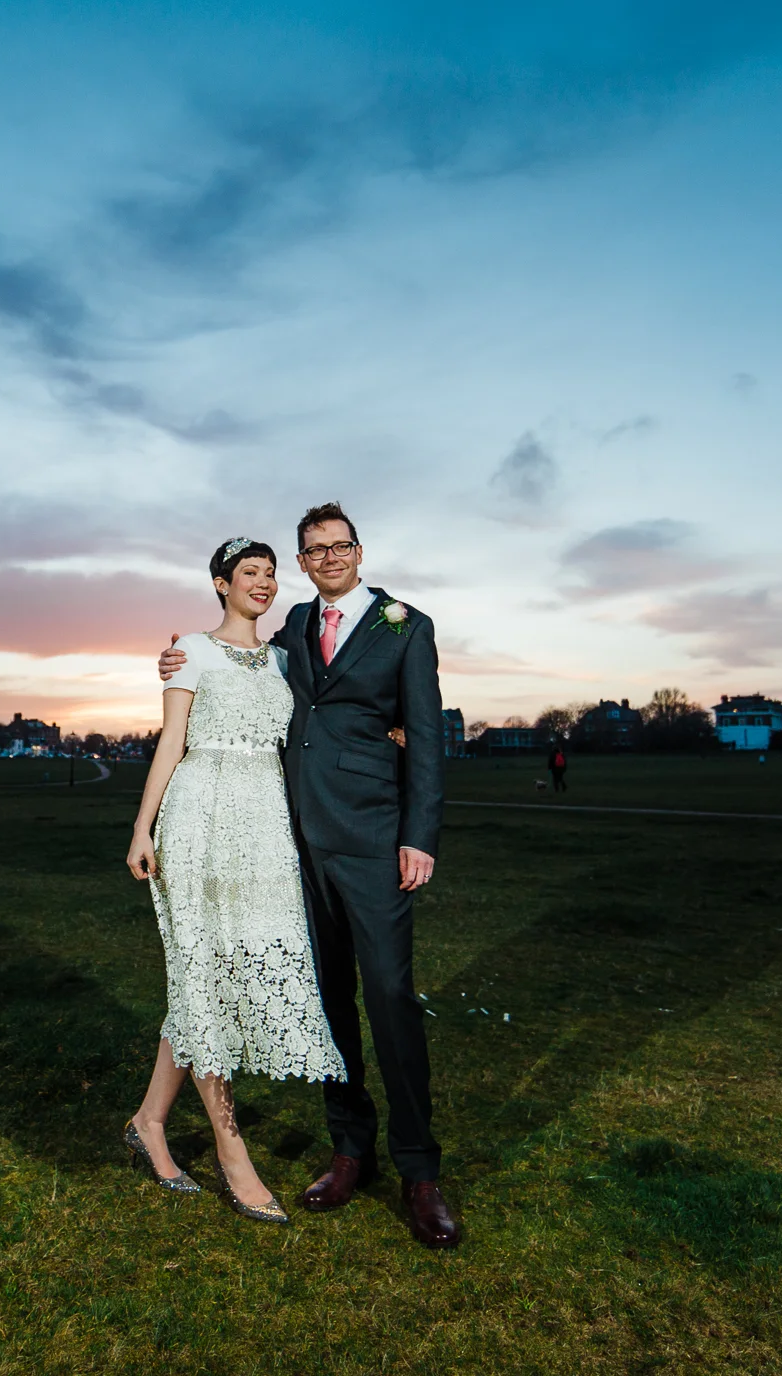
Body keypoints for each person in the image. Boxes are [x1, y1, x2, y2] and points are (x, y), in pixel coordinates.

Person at [158, 503, 460, 1248]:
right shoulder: (292, 626)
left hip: (375, 840)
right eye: (314, 550)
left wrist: (418, 837)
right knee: (328, 1002)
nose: (329, 557)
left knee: (389, 997)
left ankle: (419, 1171)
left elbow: (425, 736)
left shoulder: (405, 626)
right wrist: (180, 658)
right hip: (293, 842)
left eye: (339, 545)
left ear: (359, 551)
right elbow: (238, 666)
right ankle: (349, 1149)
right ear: (303, 563)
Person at [124, 537, 344, 1225]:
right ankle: (231, 1147)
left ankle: (149, 1121)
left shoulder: (284, 659)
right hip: (198, 817)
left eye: (271, 573)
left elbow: (328, 715)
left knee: (211, 977)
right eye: (250, 572)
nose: (264, 582)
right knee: (202, 974)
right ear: (222, 583)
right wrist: (142, 828)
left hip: (265, 826)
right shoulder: (190, 650)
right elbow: (171, 741)